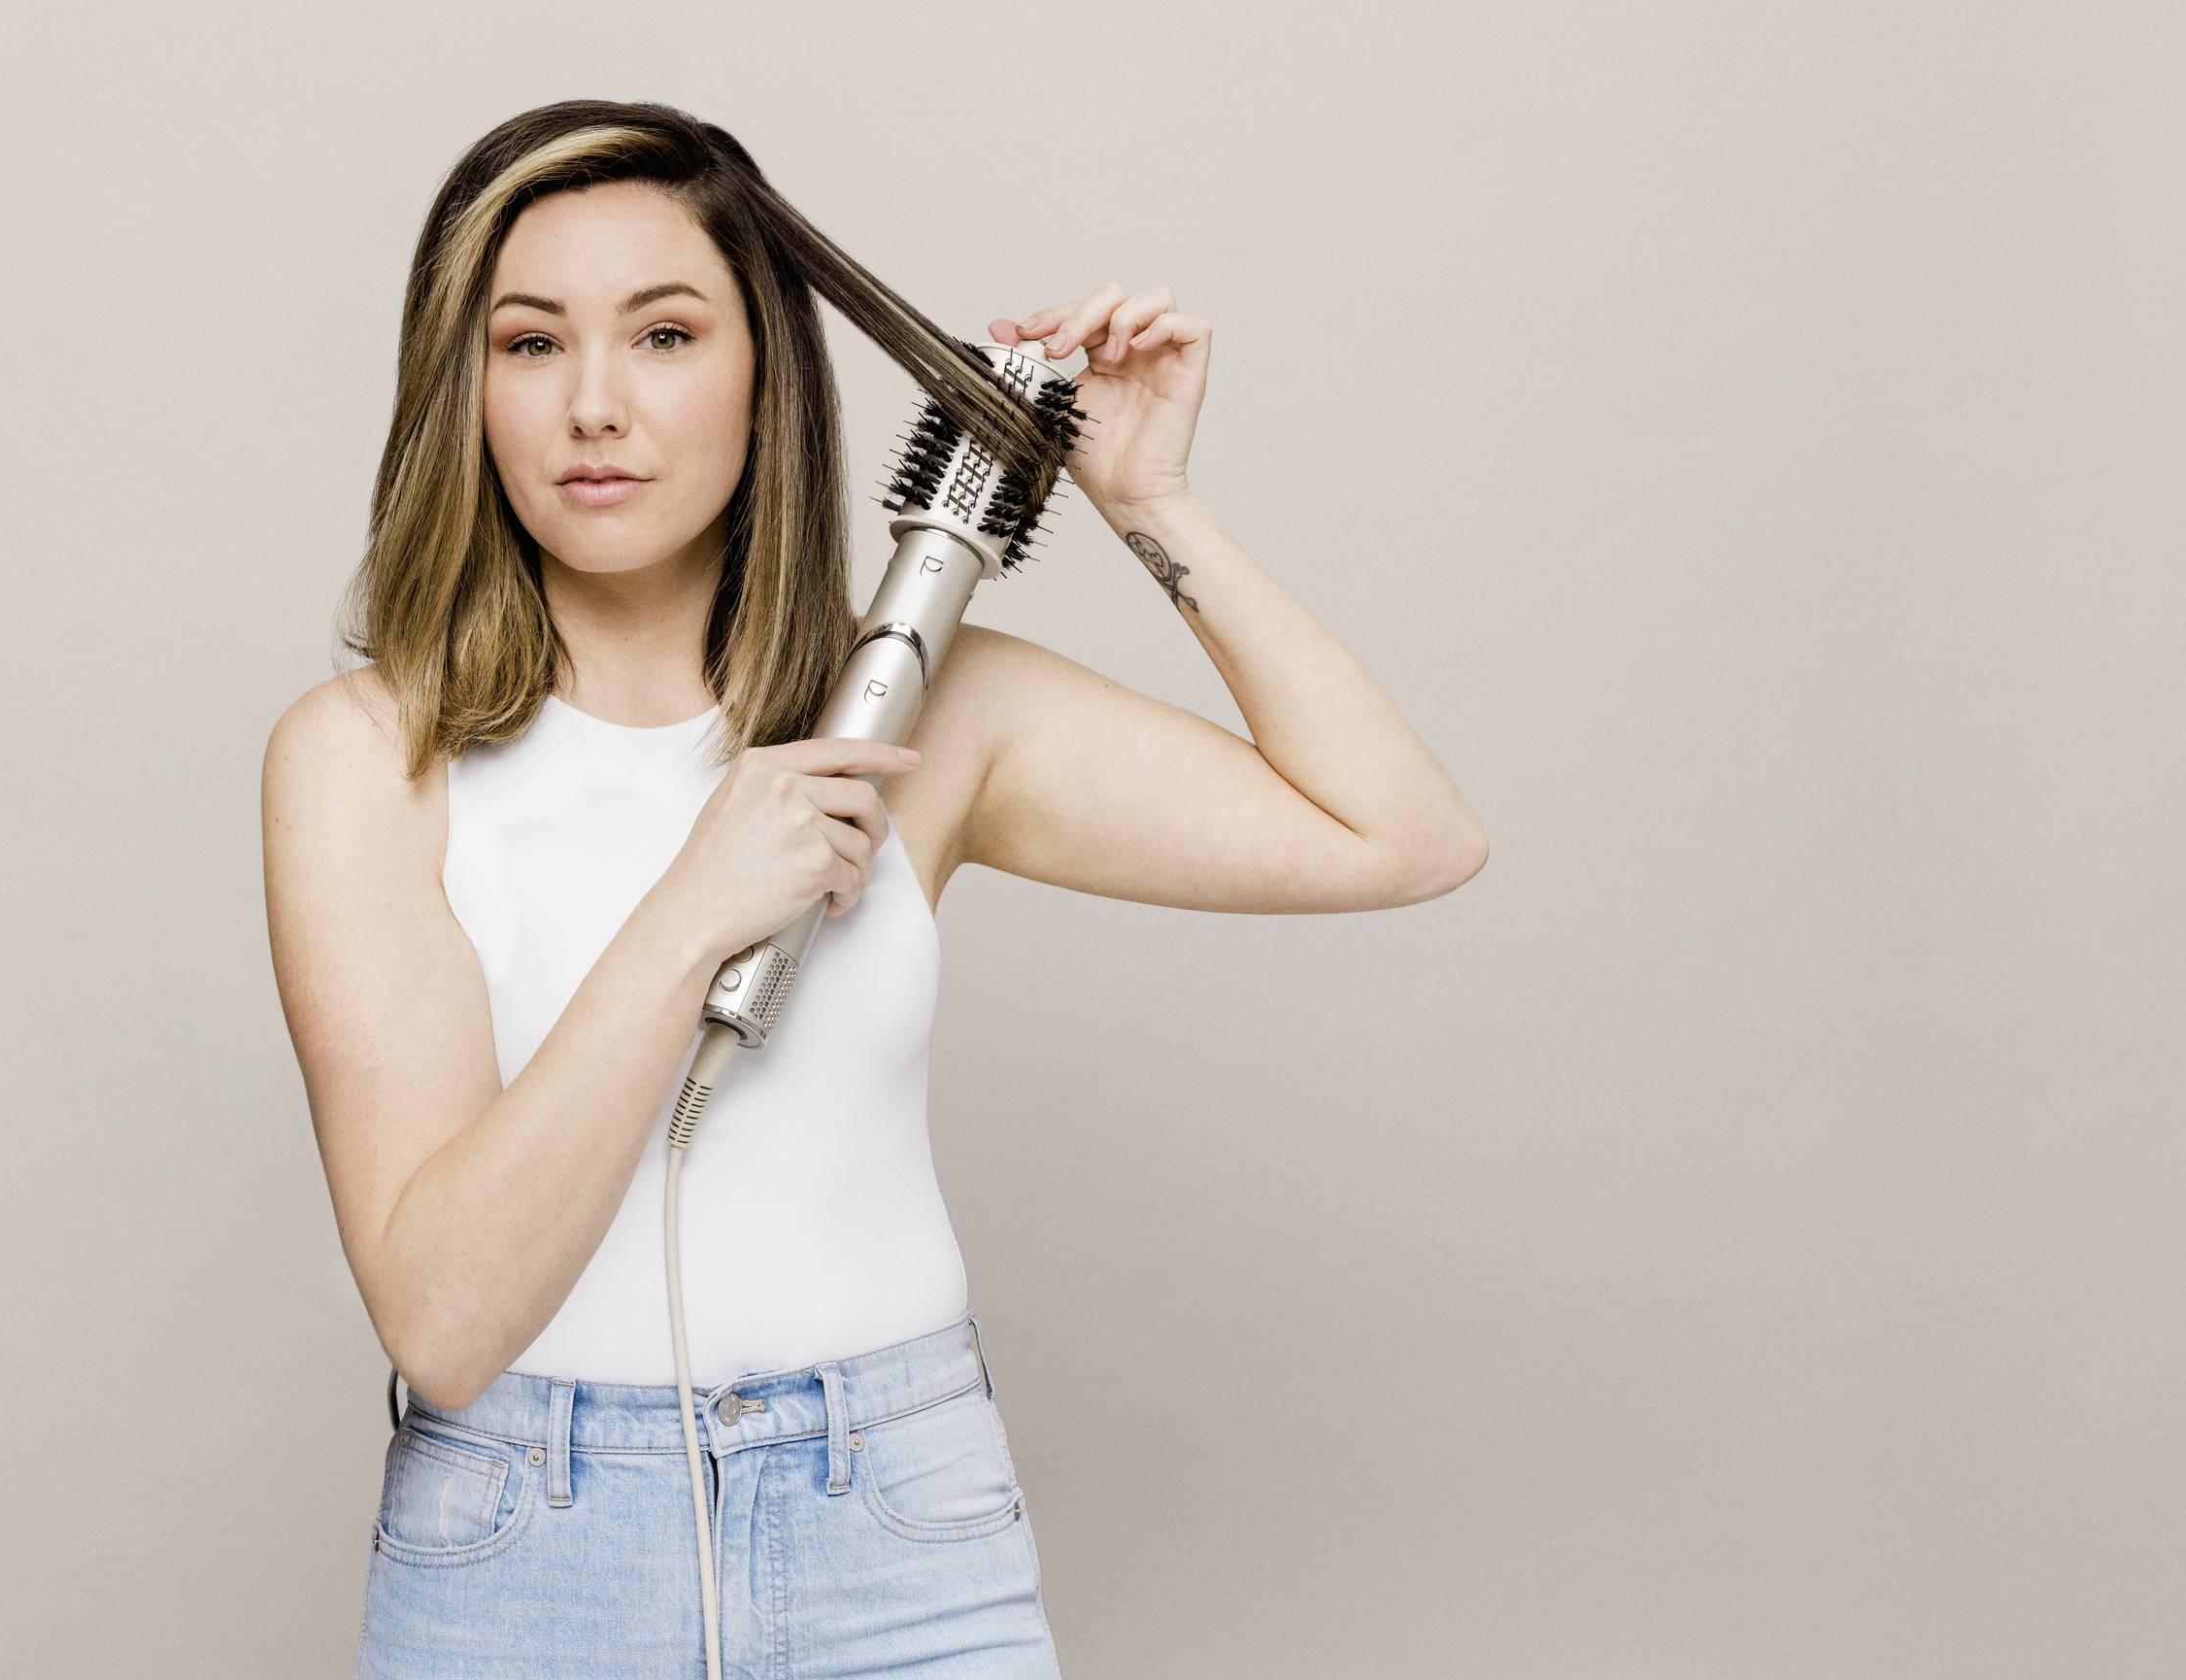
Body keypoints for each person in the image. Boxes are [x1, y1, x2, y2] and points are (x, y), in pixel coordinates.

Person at [262, 98, 1489, 1676]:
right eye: (528, 343)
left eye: (664, 334)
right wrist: (695, 900)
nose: (594, 406)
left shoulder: (917, 714)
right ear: (466, 389)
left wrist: (1148, 505)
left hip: (897, 1535)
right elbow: (444, 1317)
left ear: (766, 372)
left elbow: (1404, 835)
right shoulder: (369, 758)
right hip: (525, 1551)